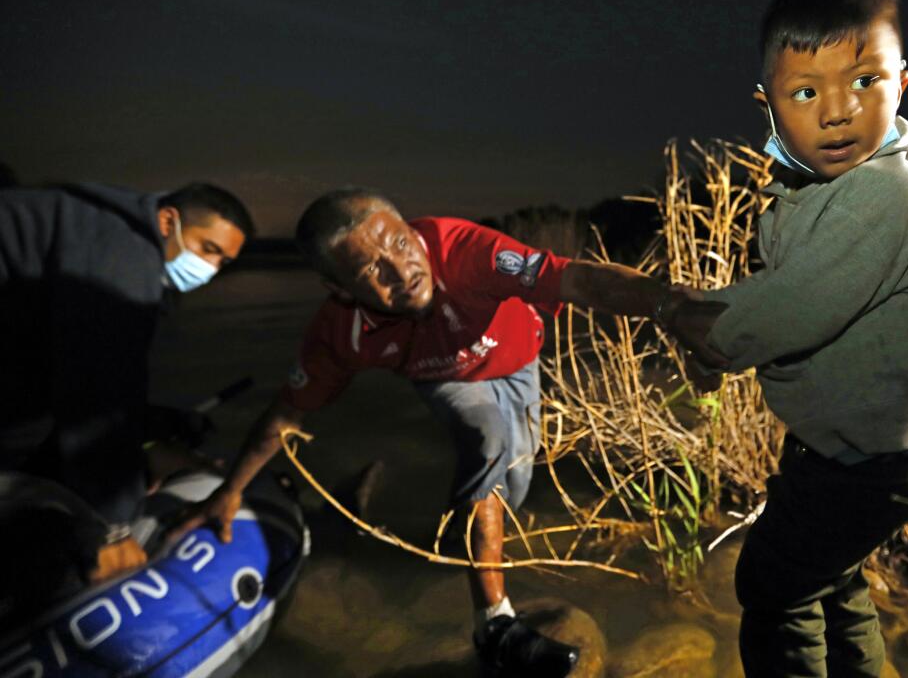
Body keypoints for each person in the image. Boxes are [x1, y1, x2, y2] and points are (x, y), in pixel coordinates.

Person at [172, 189, 665, 677]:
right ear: (339, 288)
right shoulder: (341, 331)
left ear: (412, 230)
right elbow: (285, 415)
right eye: (372, 271)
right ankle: (493, 623)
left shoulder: (466, 250)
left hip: (518, 360)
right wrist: (230, 492)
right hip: (447, 378)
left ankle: (463, 538)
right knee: (489, 442)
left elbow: (576, 279)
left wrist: (673, 307)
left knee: (516, 477)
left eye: (402, 246)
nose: (403, 271)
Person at [659, 0, 908, 677]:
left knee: (772, 585)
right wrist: (719, 324)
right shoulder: (814, 190)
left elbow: (786, 310)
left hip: (875, 462)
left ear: (902, 85)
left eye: (865, 82)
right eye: (804, 92)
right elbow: (788, 288)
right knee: (834, 576)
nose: (837, 111)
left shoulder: (885, 195)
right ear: (768, 106)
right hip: (850, 448)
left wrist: (701, 328)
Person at [0, 181, 253, 594]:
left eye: (224, 262)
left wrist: (147, 434)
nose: (210, 268)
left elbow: (79, 368)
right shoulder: (123, 252)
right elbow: (98, 391)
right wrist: (112, 525)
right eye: (208, 248)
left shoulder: (89, 228)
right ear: (168, 221)